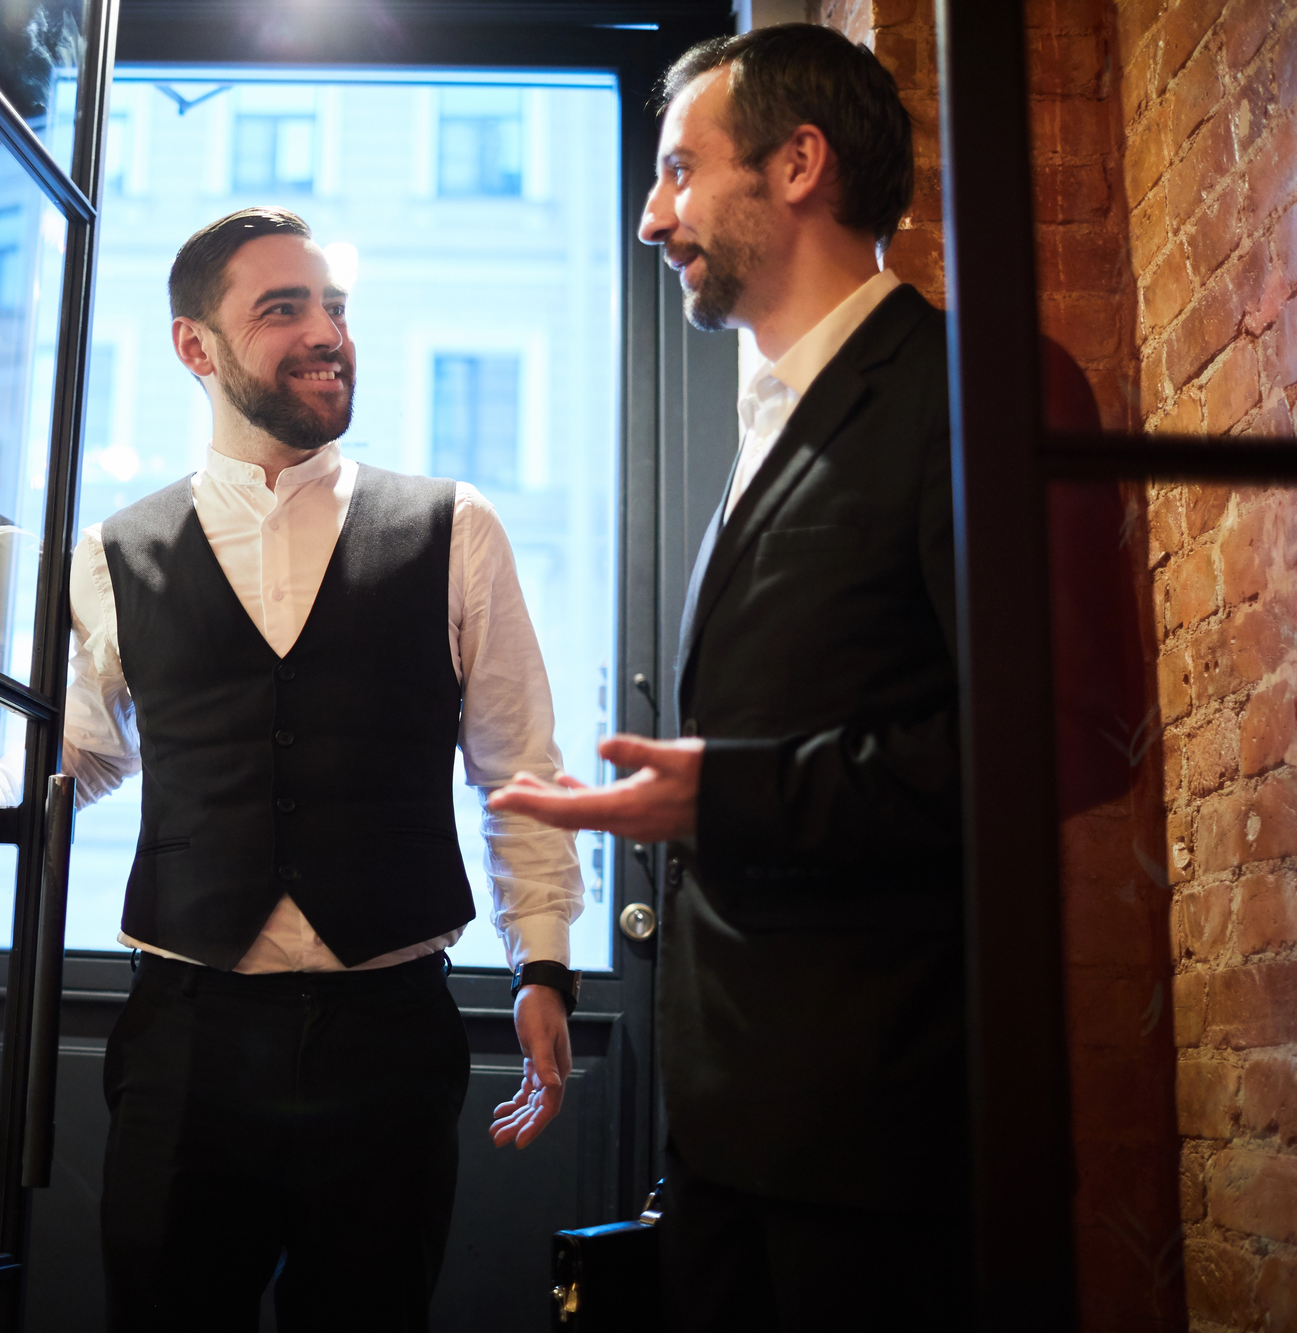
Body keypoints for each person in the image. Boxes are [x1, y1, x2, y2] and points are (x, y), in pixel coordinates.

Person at [0, 206, 584, 1331]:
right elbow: (73, 759)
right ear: (193, 346)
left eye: (334, 309)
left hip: (389, 1037)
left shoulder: (455, 527)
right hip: (185, 1042)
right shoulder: (113, 553)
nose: (325, 334)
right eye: (283, 308)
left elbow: (520, 770)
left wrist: (539, 963)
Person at [489, 25, 969, 1332]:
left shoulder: (956, 400)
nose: (654, 217)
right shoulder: (774, 416)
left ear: (797, 164)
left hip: (869, 1151)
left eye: (679, 172)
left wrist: (727, 799)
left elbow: (1029, 755)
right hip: (725, 1130)